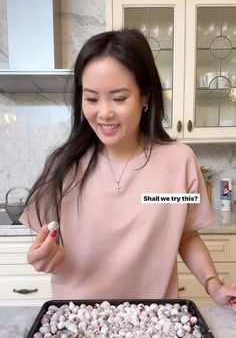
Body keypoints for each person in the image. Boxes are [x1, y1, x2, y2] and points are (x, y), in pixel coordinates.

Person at [20, 28, 236, 310]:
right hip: (79, 323)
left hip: (154, 321)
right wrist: (47, 257)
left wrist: (214, 285)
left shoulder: (179, 161)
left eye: (119, 98)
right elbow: (47, 244)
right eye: (92, 98)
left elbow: (186, 234)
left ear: (145, 96)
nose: (104, 112)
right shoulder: (63, 167)